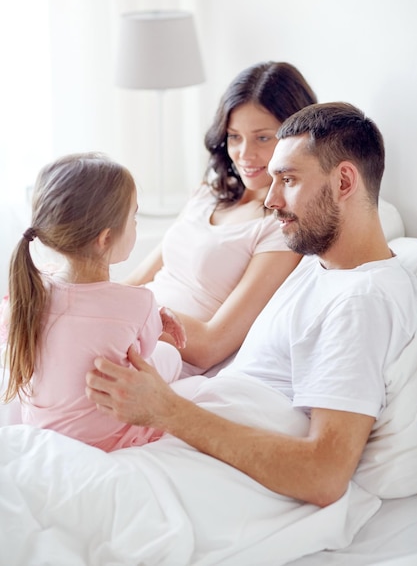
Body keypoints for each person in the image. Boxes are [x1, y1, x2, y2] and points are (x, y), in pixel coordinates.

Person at [86, 102, 417, 506]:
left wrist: (165, 409)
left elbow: (324, 474)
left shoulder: (361, 301)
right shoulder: (320, 263)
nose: (271, 199)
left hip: (210, 476)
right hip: (188, 438)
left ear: (344, 182)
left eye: (288, 180)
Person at [125, 61, 318, 376]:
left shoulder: (282, 227)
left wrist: (121, 313)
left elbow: (211, 345)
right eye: (234, 136)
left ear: (298, 137)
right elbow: (134, 282)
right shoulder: (208, 193)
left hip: (164, 355)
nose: (244, 153)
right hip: (127, 327)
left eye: (263, 138)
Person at [3, 152, 186, 452]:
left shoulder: (30, 293)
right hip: (109, 440)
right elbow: (141, 358)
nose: (136, 225)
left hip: (41, 430)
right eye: (134, 217)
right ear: (105, 238)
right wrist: (158, 318)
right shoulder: (138, 302)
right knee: (169, 356)